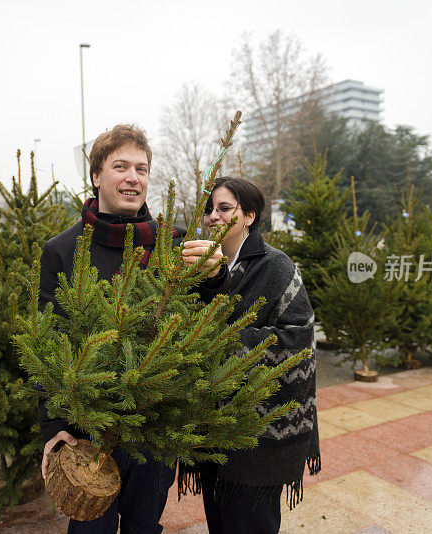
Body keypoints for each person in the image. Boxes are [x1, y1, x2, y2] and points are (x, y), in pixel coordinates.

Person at [37, 124, 230, 534]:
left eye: (141, 169)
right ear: (96, 176)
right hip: (87, 432)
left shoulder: (174, 243)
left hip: (153, 435)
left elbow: (206, 322)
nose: (133, 177)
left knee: (145, 527)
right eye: (120, 166)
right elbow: (46, 344)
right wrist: (53, 428)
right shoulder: (62, 250)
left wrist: (215, 277)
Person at [178, 176, 320, 534]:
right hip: (210, 427)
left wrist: (226, 342)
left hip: (260, 436)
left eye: (225, 208)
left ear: (249, 216)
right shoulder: (197, 267)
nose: (212, 216)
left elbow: (299, 339)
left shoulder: (276, 266)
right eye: (209, 209)